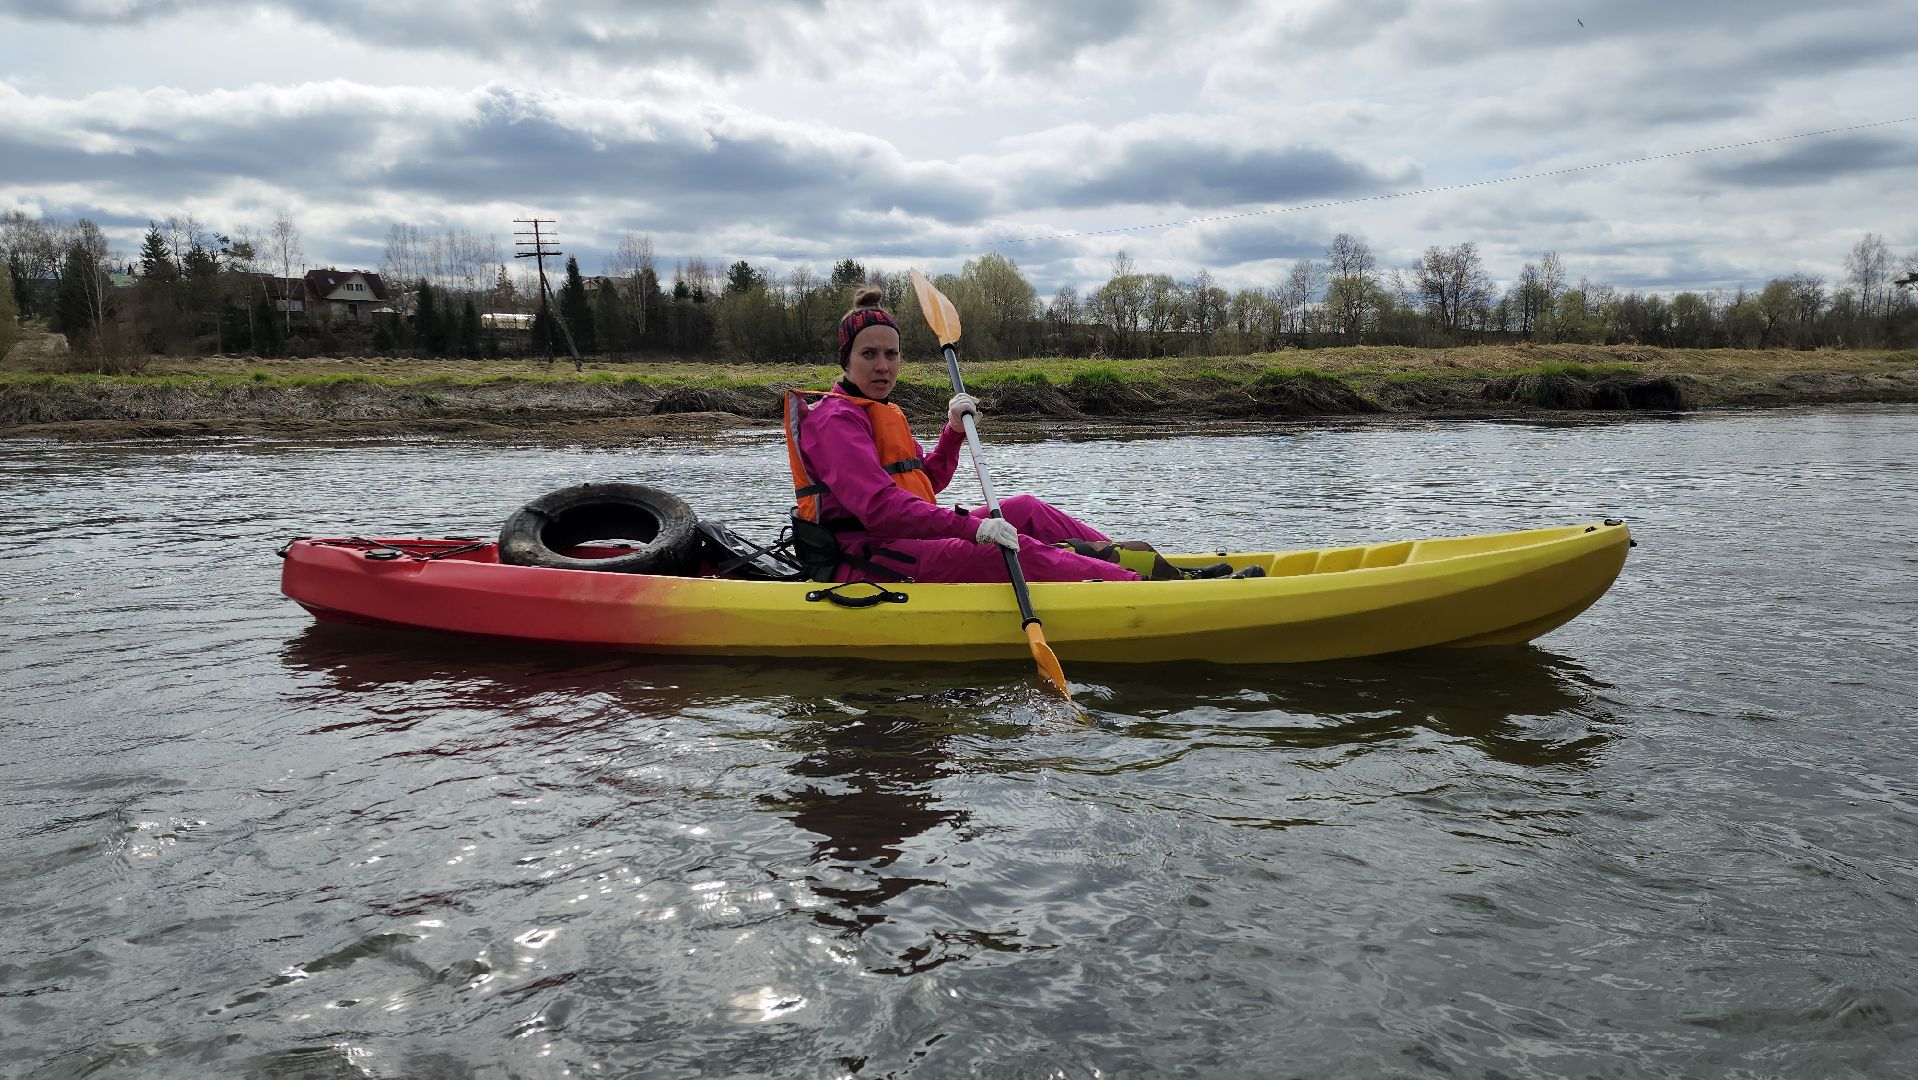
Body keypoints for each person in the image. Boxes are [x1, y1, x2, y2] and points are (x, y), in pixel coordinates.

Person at [783, 288, 1144, 585]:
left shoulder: (881, 410)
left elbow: (927, 480)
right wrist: (972, 528)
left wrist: (953, 433)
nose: (883, 365)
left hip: (906, 541)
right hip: (866, 558)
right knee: (1002, 549)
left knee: (1026, 509)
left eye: (891, 354)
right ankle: (1131, 586)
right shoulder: (835, 422)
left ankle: (1122, 558)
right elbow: (881, 510)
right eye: (869, 354)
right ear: (846, 361)